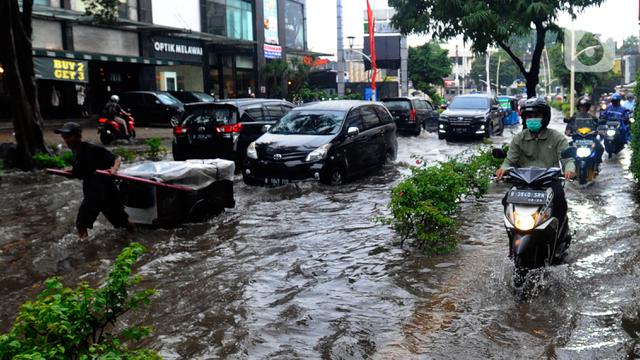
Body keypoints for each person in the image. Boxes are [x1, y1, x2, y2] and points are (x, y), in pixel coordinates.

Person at [496, 97, 576, 243]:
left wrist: (569, 169)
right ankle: (512, 235)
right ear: (524, 118)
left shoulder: (556, 137)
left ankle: (561, 235)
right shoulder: (518, 138)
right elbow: (510, 160)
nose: (532, 119)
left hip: (550, 182)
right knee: (506, 200)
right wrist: (503, 169)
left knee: (560, 201)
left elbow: (567, 159)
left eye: (536, 116)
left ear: (544, 117)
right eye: (529, 116)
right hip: (523, 182)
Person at [55, 122, 134, 239]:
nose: (66, 141)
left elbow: (117, 158)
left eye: (68, 137)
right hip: (92, 194)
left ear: (78, 136)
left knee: (123, 224)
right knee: (81, 224)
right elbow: (85, 170)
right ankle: (85, 250)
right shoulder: (76, 151)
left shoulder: (92, 149)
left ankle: (136, 239)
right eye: (64, 138)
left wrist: (114, 169)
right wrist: (72, 171)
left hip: (107, 193)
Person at [565, 96, 604, 170]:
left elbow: (598, 124)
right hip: (577, 138)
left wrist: (600, 130)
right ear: (578, 107)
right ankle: (569, 166)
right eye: (581, 106)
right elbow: (569, 126)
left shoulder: (592, 117)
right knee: (566, 149)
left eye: (585, 106)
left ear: (587, 107)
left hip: (590, 138)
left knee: (600, 147)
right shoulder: (574, 117)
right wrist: (568, 131)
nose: (583, 108)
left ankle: (597, 163)